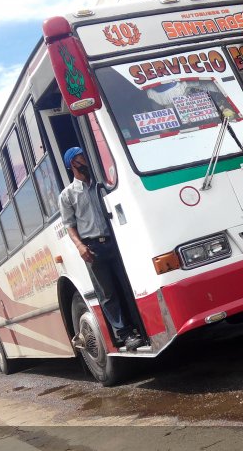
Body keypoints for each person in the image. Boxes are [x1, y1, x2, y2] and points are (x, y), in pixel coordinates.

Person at [58, 147, 144, 351]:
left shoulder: (101, 186)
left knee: (126, 285)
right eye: (81, 159)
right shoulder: (68, 195)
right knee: (107, 294)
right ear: (73, 164)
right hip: (92, 247)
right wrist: (80, 246)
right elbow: (69, 225)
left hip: (114, 242)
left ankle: (139, 327)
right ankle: (125, 335)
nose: (86, 162)